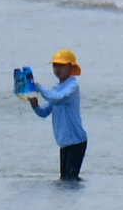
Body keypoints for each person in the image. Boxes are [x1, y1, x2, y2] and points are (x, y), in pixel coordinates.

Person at [28, 49, 87, 181]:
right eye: (55, 66)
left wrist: (40, 88)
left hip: (76, 142)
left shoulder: (72, 86)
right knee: (64, 180)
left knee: (70, 180)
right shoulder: (56, 87)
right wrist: (35, 106)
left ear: (71, 67)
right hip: (64, 143)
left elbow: (57, 99)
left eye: (61, 65)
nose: (57, 69)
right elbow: (44, 112)